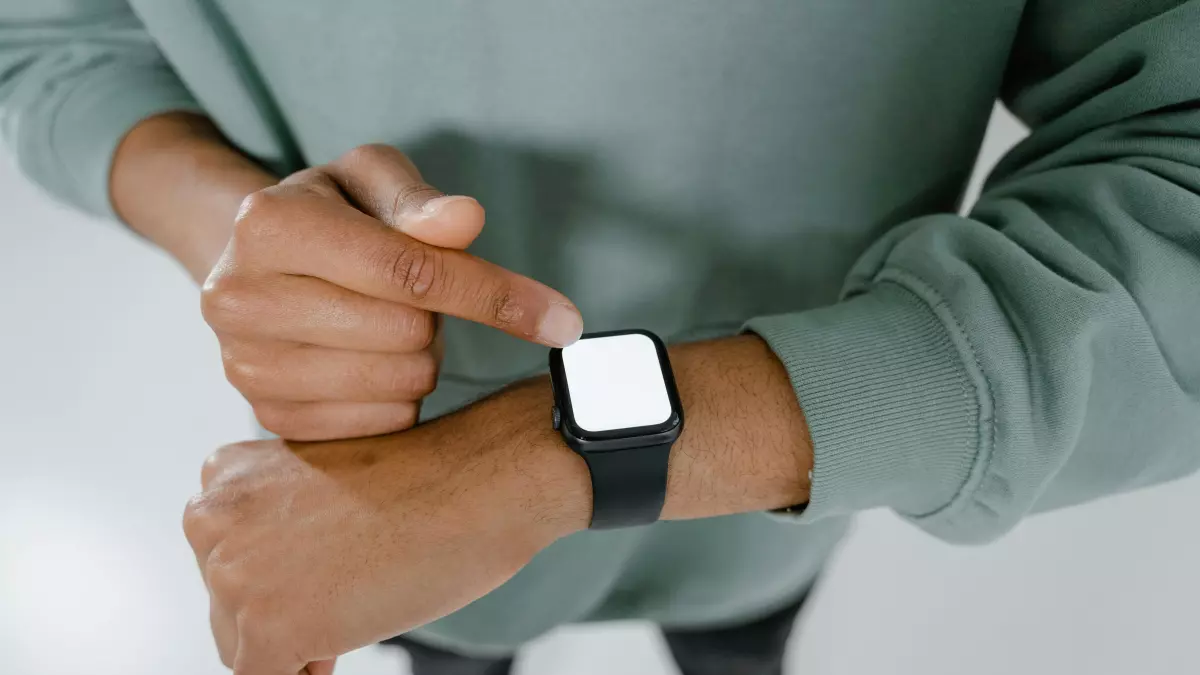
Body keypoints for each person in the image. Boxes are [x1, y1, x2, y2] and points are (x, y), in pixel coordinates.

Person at [3, 1, 1199, 673]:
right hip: (374, 485)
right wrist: (237, 228)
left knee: (741, 630)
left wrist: (535, 461)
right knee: (452, 645)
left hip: (809, 467)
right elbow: (47, 33)